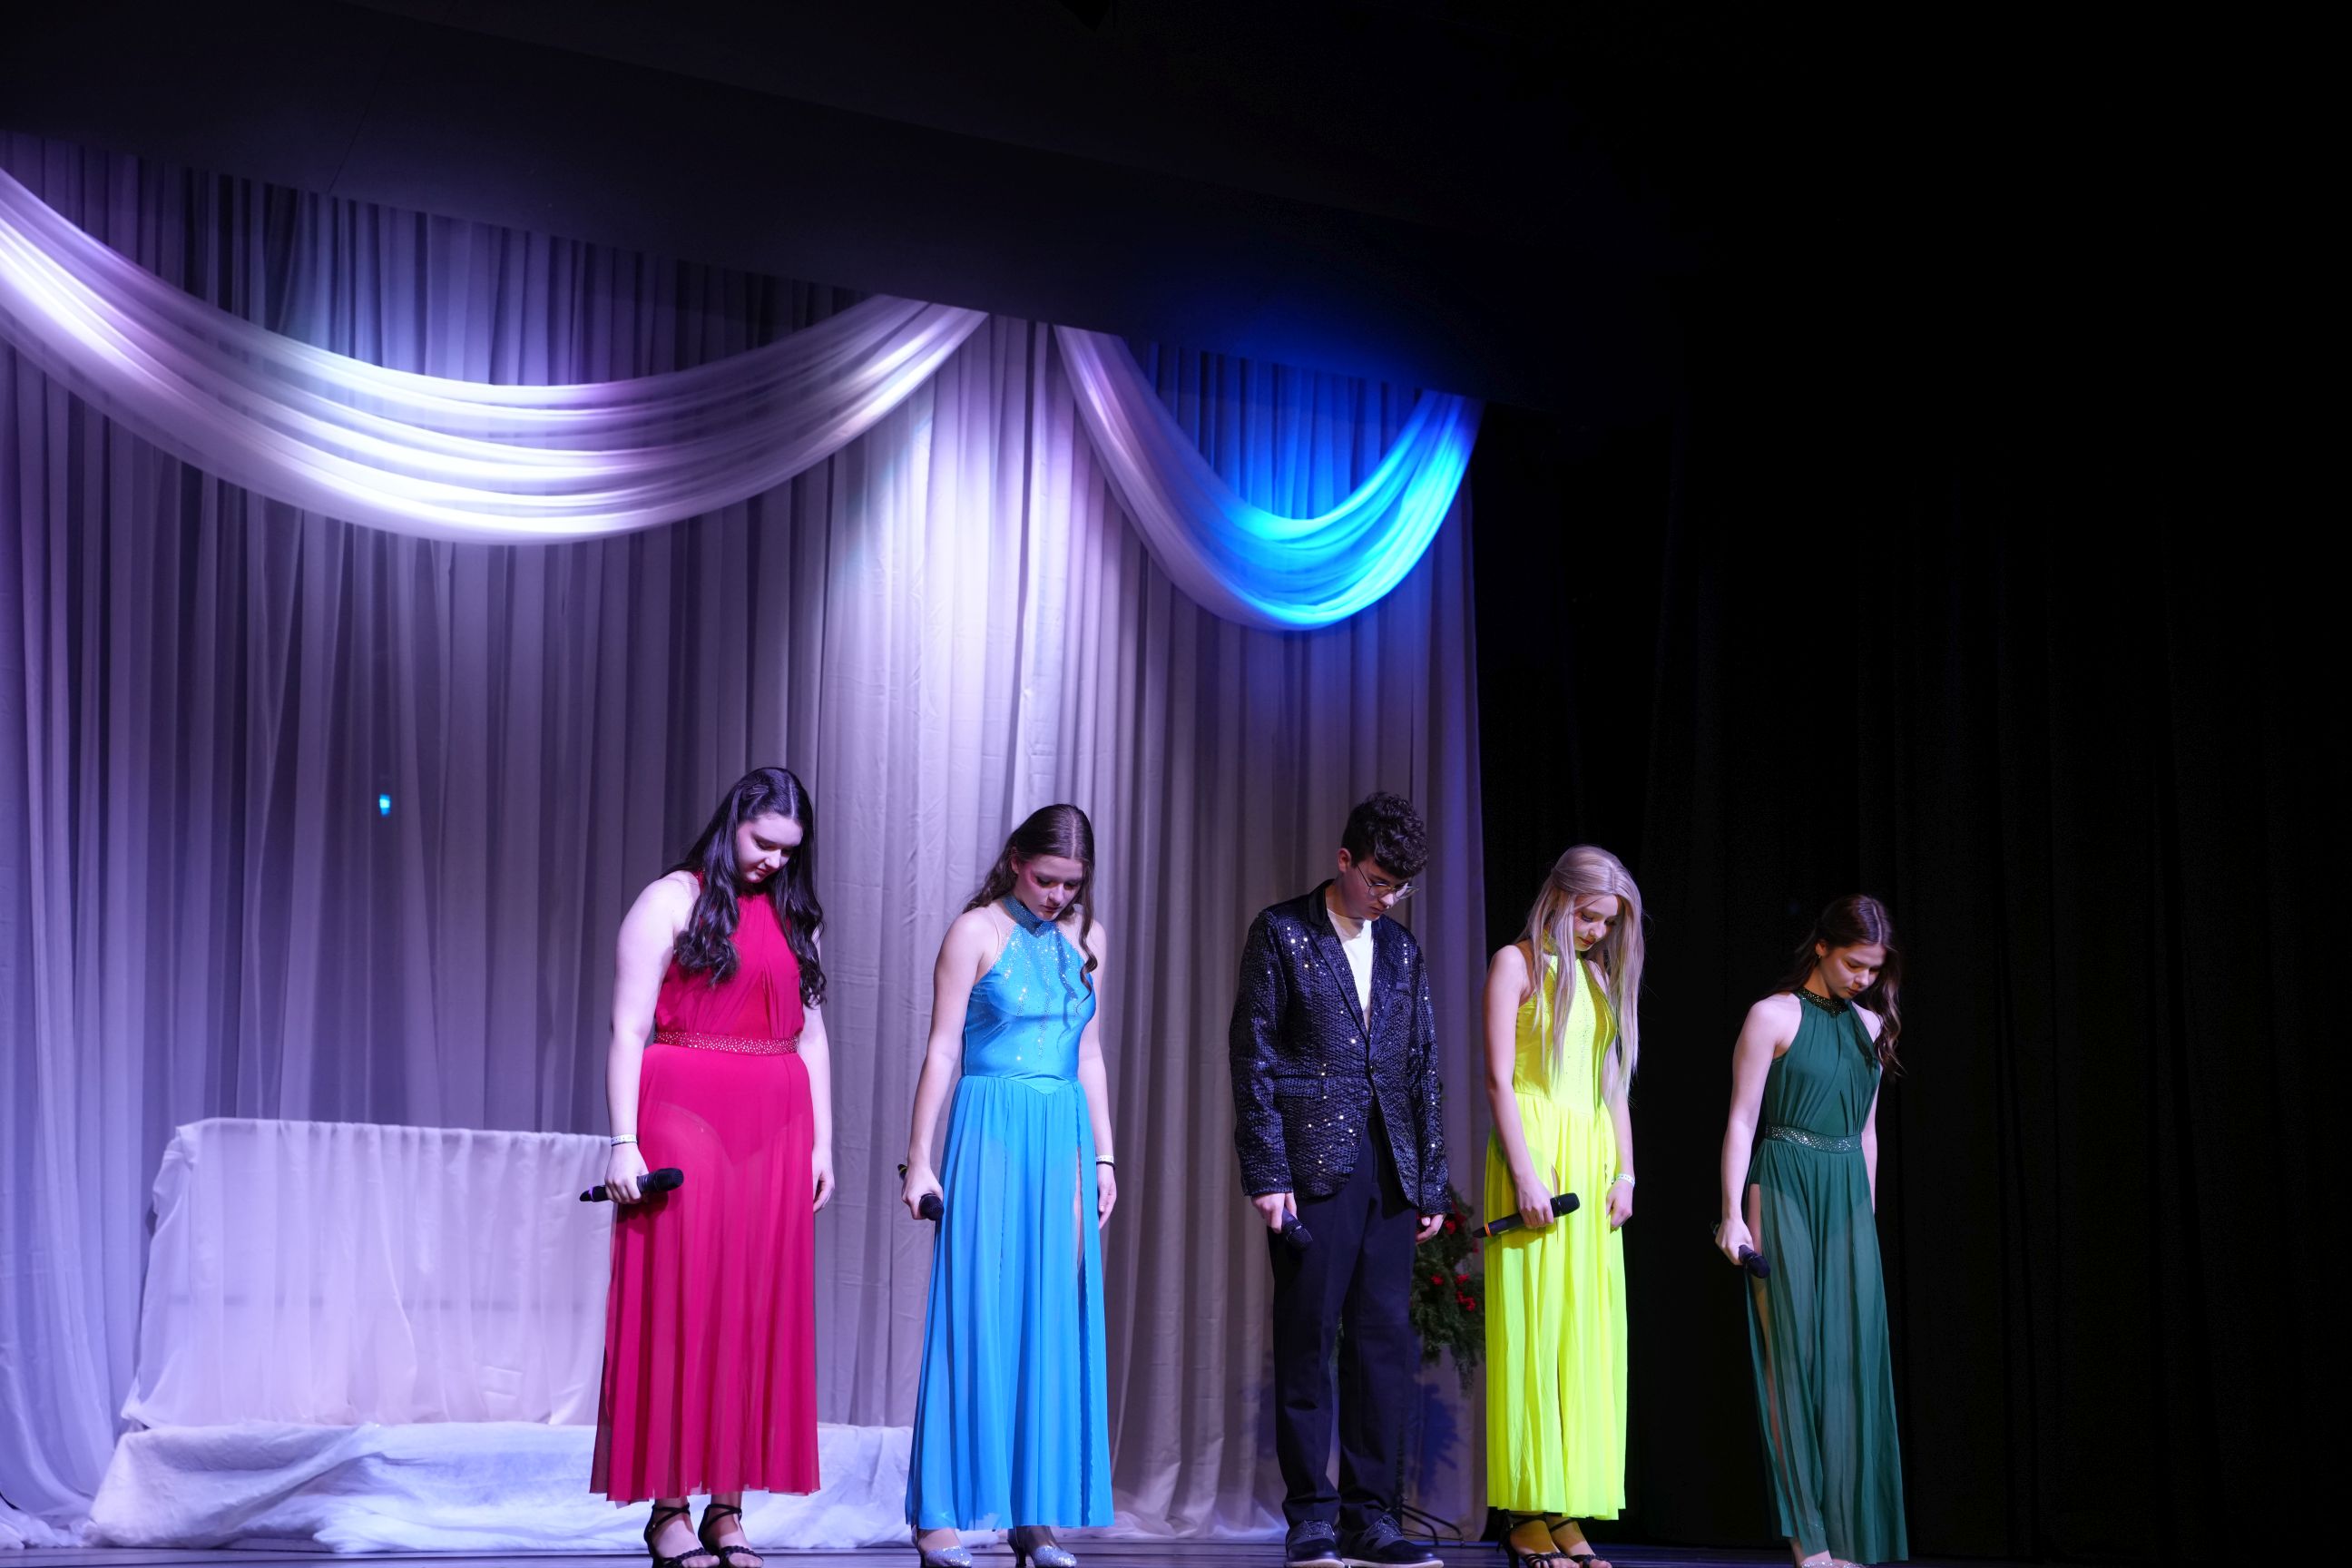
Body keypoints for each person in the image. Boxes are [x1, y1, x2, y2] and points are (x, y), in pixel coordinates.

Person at [592, 767, 837, 1568]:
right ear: (734, 822)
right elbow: (629, 1030)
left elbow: (811, 1036)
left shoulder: (795, 917)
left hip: (776, 1121)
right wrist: (623, 1140)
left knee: (752, 1309)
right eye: (763, 842)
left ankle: (727, 1509)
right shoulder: (671, 900)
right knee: (684, 1302)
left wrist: (823, 1144)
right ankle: (668, 1507)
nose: (773, 860)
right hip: (685, 1111)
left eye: (788, 850)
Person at [1230, 791, 1450, 1568]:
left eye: (1400, 888)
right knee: (1308, 1339)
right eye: (1378, 881)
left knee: (1382, 1345)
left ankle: (1370, 1517)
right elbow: (1253, 1057)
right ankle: (1311, 1518)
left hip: (1389, 1165)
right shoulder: (1283, 932)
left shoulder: (1402, 951)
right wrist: (1267, 1171)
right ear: (1344, 861)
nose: (1387, 898)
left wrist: (1429, 1181)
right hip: (1312, 1165)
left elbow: (1421, 1066)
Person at [901, 805, 1117, 1568]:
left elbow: (1088, 1055)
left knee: (1050, 1319)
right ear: (1016, 859)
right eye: (1046, 878)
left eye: (1071, 884)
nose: (1058, 895)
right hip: (991, 1130)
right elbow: (941, 1049)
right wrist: (919, 1157)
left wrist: (1105, 1157)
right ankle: (937, 1517)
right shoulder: (975, 931)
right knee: (975, 1315)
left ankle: (1035, 1514)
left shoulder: (1087, 938)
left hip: (1063, 1134)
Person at [1714, 896, 1909, 1567]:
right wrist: (1732, 1214)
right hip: (1784, 1185)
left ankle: (1851, 1538)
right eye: (1854, 964)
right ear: (1823, 947)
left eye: (1873, 969)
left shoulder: (1870, 1024)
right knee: (1791, 1362)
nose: (1863, 978)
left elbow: (1868, 1133)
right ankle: (1811, 1541)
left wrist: (1866, 1217)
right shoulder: (1773, 1015)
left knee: (1849, 1365)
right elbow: (1742, 1120)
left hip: (1847, 1193)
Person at [1482, 848, 1644, 1567]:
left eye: (1606, 923)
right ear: (1557, 899)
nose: (1595, 932)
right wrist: (1525, 1171)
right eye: (1587, 916)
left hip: (1591, 1157)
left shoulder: (1599, 978)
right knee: (1535, 1331)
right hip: (1537, 1149)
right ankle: (1526, 1511)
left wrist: (1626, 1172)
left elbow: (1613, 1087)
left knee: (1584, 1336)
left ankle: (1565, 1508)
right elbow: (1498, 1078)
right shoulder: (1514, 964)